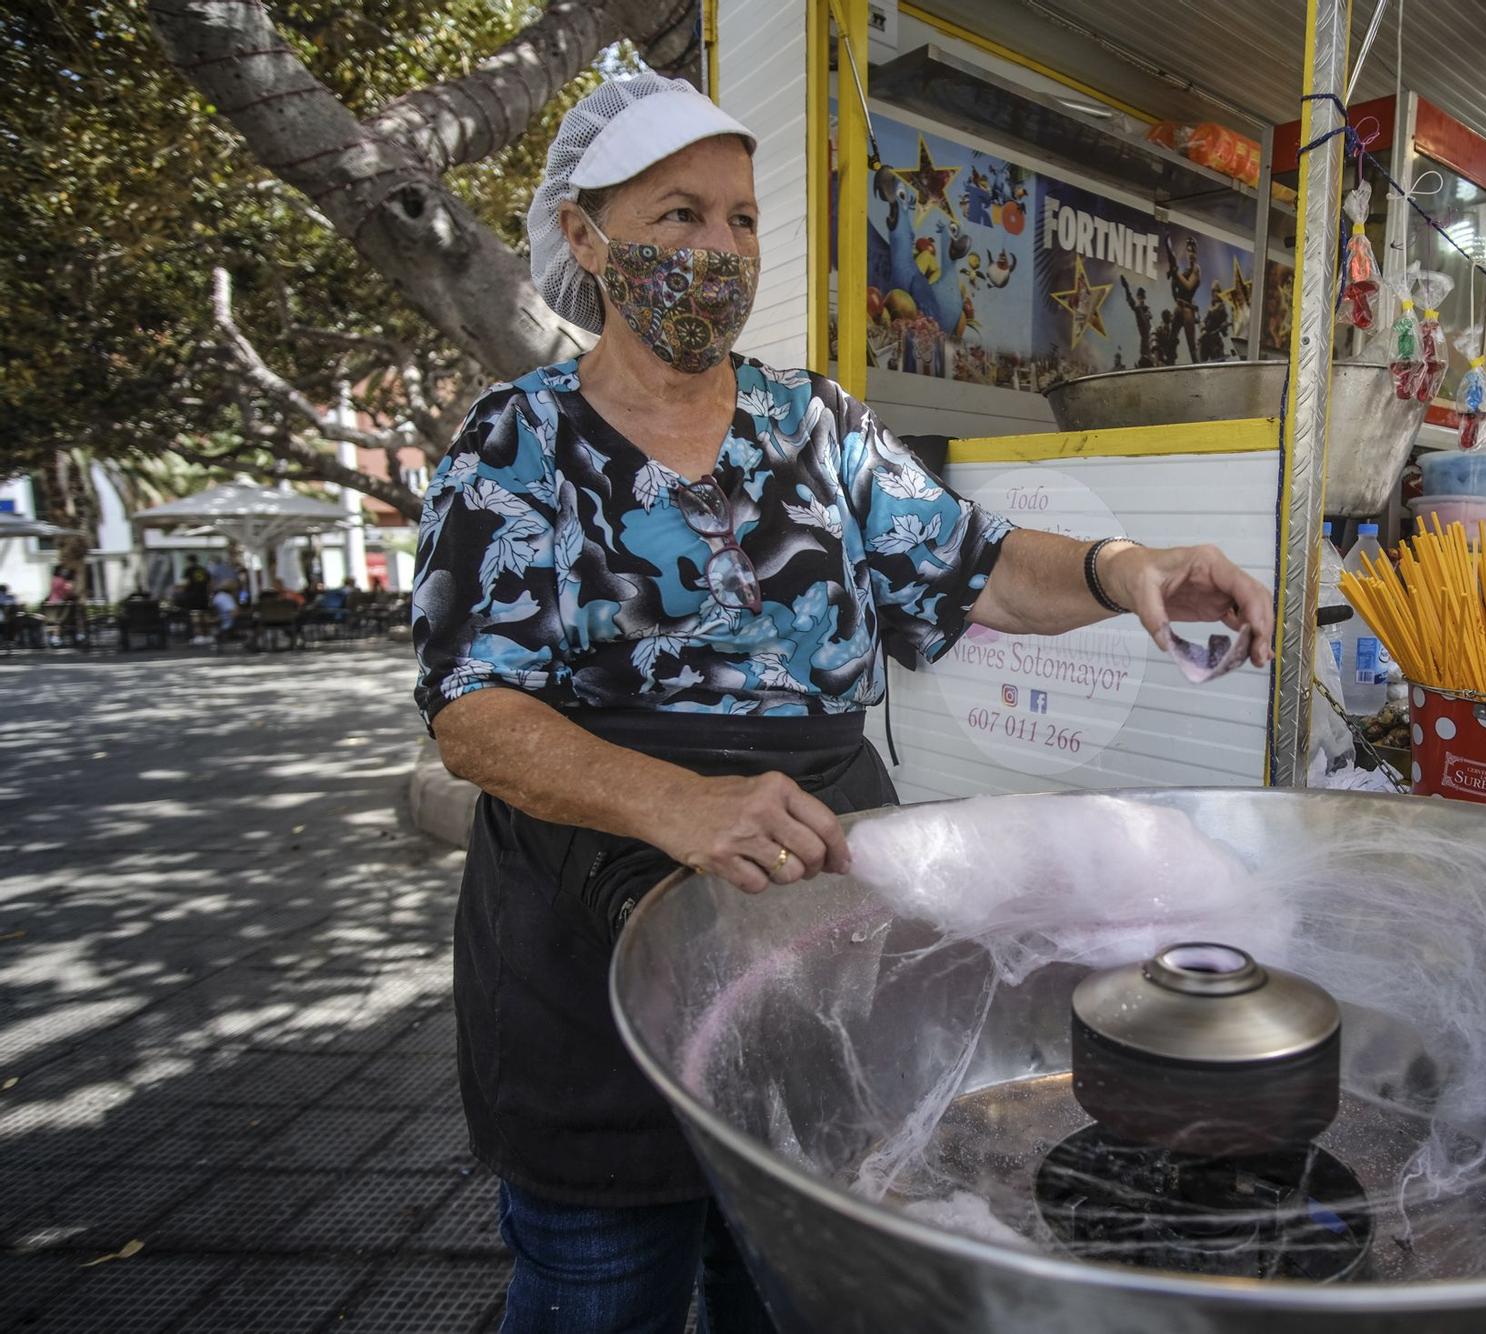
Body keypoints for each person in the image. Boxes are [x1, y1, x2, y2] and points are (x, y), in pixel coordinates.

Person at [413, 71, 1274, 1334]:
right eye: (678, 215)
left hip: (811, 916)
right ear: (589, 236)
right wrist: (676, 802)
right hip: (586, 925)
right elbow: (471, 710)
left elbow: (974, 565)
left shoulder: (811, 425)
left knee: (788, 1271)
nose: (718, 250)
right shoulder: (517, 441)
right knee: (601, 1284)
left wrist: (1122, 568)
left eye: (740, 221)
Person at [1167, 234, 1202, 364]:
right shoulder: (1186, 270)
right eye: (1189, 250)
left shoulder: (1196, 269)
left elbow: (1188, 286)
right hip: (1179, 308)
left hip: (1188, 310)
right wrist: (1173, 276)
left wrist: (1176, 274)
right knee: (1171, 342)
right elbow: (1175, 290)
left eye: (1193, 251)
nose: (1191, 253)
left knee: (1191, 347)